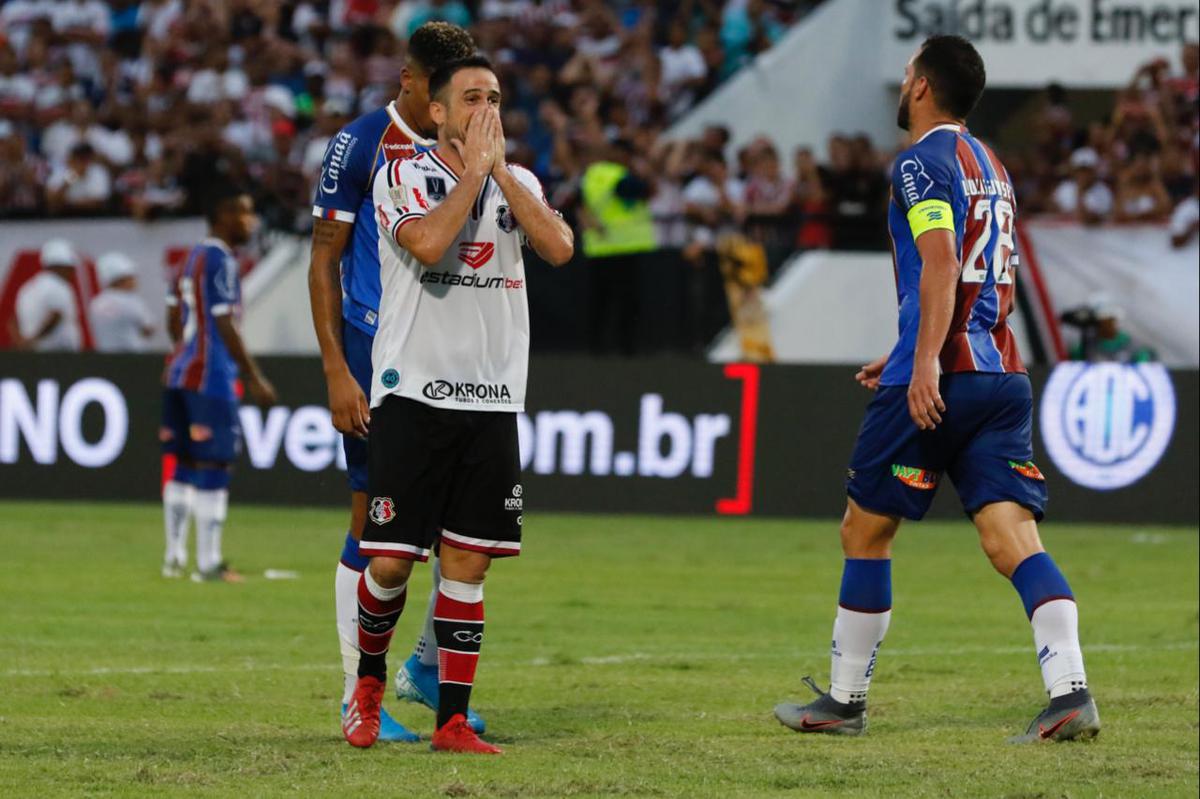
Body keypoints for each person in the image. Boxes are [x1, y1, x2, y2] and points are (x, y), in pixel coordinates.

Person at [773, 35, 1100, 743]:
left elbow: (944, 261)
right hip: (1002, 375)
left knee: (864, 530)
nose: (900, 82)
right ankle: (1070, 692)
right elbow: (980, 280)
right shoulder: (993, 164)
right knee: (1012, 536)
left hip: (942, 377)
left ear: (921, 87)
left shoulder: (920, 162)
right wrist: (904, 346)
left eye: (905, 72)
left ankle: (844, 701)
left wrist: (920, 363)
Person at [343, 55, 572, 753]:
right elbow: (430, 241)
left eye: (496, 97)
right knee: (388, 564)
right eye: (471, 97)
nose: (487, 109)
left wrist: (499, 172)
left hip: (493, 398)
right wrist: (473, 173)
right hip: (412, 393)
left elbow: (559, 246)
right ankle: (368, 688)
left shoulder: (520, 180)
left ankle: (450, 720)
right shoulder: (401, 174)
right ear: (437, 111)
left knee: (468, 565)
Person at [306, 22, 481, 743]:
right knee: (376, 528)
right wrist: (336, 369)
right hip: (376, 356)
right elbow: (325, 260)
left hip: (454, 355)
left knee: (463, 532)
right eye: (442, 87)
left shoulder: (471, 143)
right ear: (414, 81)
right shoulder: (360, 144)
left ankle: (426, 670)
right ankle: (358, 692)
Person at [160, 186, 276, 583]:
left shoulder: (190, 258)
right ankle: (208, 563)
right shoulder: (221, 260)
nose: (251, 221)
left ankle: (174, 557)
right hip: (210, 377)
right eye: (245, 212)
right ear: (224, 215)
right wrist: (252, 375)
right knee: (214, 462)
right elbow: (224, 321)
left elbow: (172, 319)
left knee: (186, 462)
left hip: (178, 373)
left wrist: (185, 353)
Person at [12, 238, 83, 352]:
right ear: (60, 266)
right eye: (71, 268)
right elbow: (55, 316)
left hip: (35, 353)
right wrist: (34, 339)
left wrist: (22, 342)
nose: (72, 273)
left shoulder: (27, 288)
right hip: (59, 355)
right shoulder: (59, 286)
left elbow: (13, 320)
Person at [89, 251, 154, 352]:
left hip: (105, 357)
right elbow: (148, 330)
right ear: (120, 279)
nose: (135, 281)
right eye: (131, 278)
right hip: (133, 358)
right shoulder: (130, 301)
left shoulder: (96, 302)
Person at [1052, 148, 1113, 226]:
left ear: (1094, 171)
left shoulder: (1103, 191)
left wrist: (1080, 193)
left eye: (1087, 170)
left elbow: (1093, 219)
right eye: (1080, 170)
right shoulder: (1063, 188)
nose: (1083, 174)